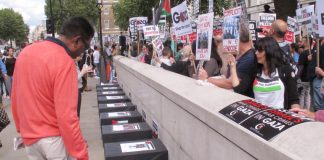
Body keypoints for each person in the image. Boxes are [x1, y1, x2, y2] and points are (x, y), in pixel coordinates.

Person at [11, 16, 94, 160]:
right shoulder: (64, 61)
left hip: (30, 137)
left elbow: (16, 96)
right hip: (54, 139)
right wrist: (81, 153)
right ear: (77, 40)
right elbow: (67, 116)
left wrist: (21, 128)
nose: (84, 52)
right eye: (85, 47)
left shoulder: (25, 53)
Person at [229, 37, 300, 109]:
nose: (256, 53)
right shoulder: (255, 70)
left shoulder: (285, 70)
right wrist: (233, 67)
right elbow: (239, 90)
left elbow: (294, 100)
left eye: (260, 50)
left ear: (270, 51)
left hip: (280, 117)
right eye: (256, 50)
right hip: (259, 117)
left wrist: (295, 114)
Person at [199, 25, 257, 98]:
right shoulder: (238, 55)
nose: (227, 43)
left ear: (237, 39)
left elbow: (230, 84)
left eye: (229, 39)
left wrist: (208, 79)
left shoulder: (249, 58)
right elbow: (227, 77)